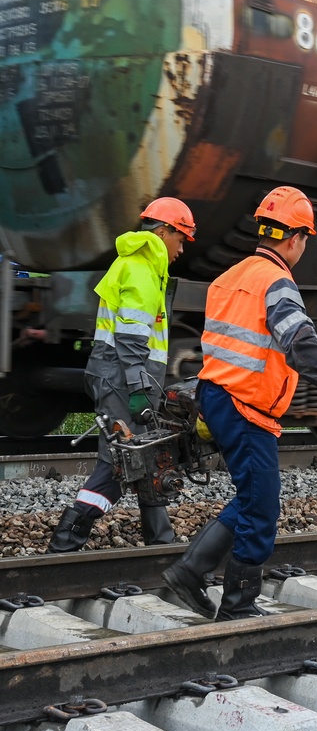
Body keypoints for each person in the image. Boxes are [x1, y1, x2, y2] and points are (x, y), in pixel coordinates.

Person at [163, 186, 317, 620]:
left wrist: (206, 406)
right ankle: (237, 605)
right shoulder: (277, 283)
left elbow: (218, 348)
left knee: (251, 496)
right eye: (305, 240)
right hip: (246, 407)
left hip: (218, 398)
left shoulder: (229, 277)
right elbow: (299, 341)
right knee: (262, 507)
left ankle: (191, 570)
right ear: (295, 239)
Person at [47, 197, 197, 553]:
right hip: (122, 375)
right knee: (121, 461)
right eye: (181, 237)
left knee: (143, 455)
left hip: (117, 374)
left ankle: (160, 540)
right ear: (163, 231)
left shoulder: (139, 265)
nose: (182, 247)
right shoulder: (141, 269)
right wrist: (137, 387)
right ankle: (66, 538)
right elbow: (130, 338)